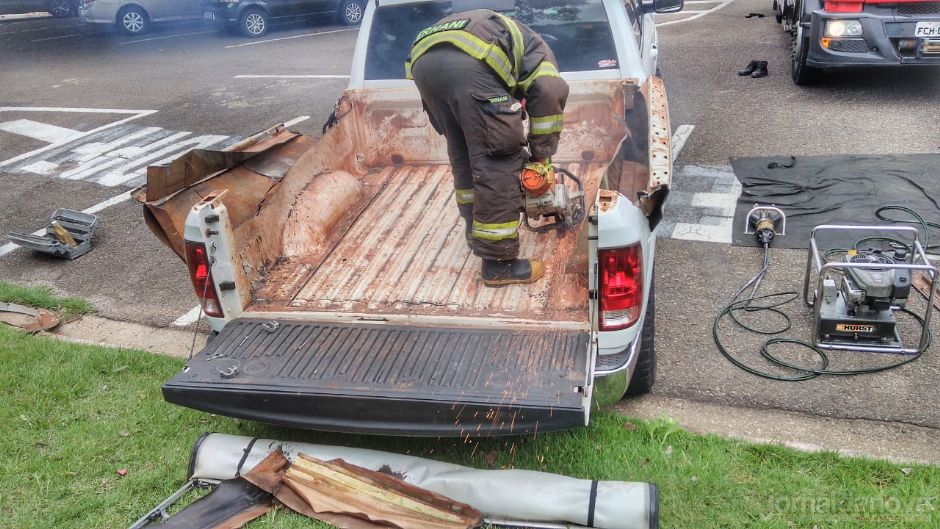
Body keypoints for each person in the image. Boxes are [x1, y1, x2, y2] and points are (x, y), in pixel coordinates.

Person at [406, 8, 569, 287]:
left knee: (465, 154)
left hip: (423, 61)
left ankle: (476, 233)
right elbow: (548, 93)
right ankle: (499, 265)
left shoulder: (514, 42)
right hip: (468, 63)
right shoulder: (541, 56)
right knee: (499, 158)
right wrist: (541, 157)